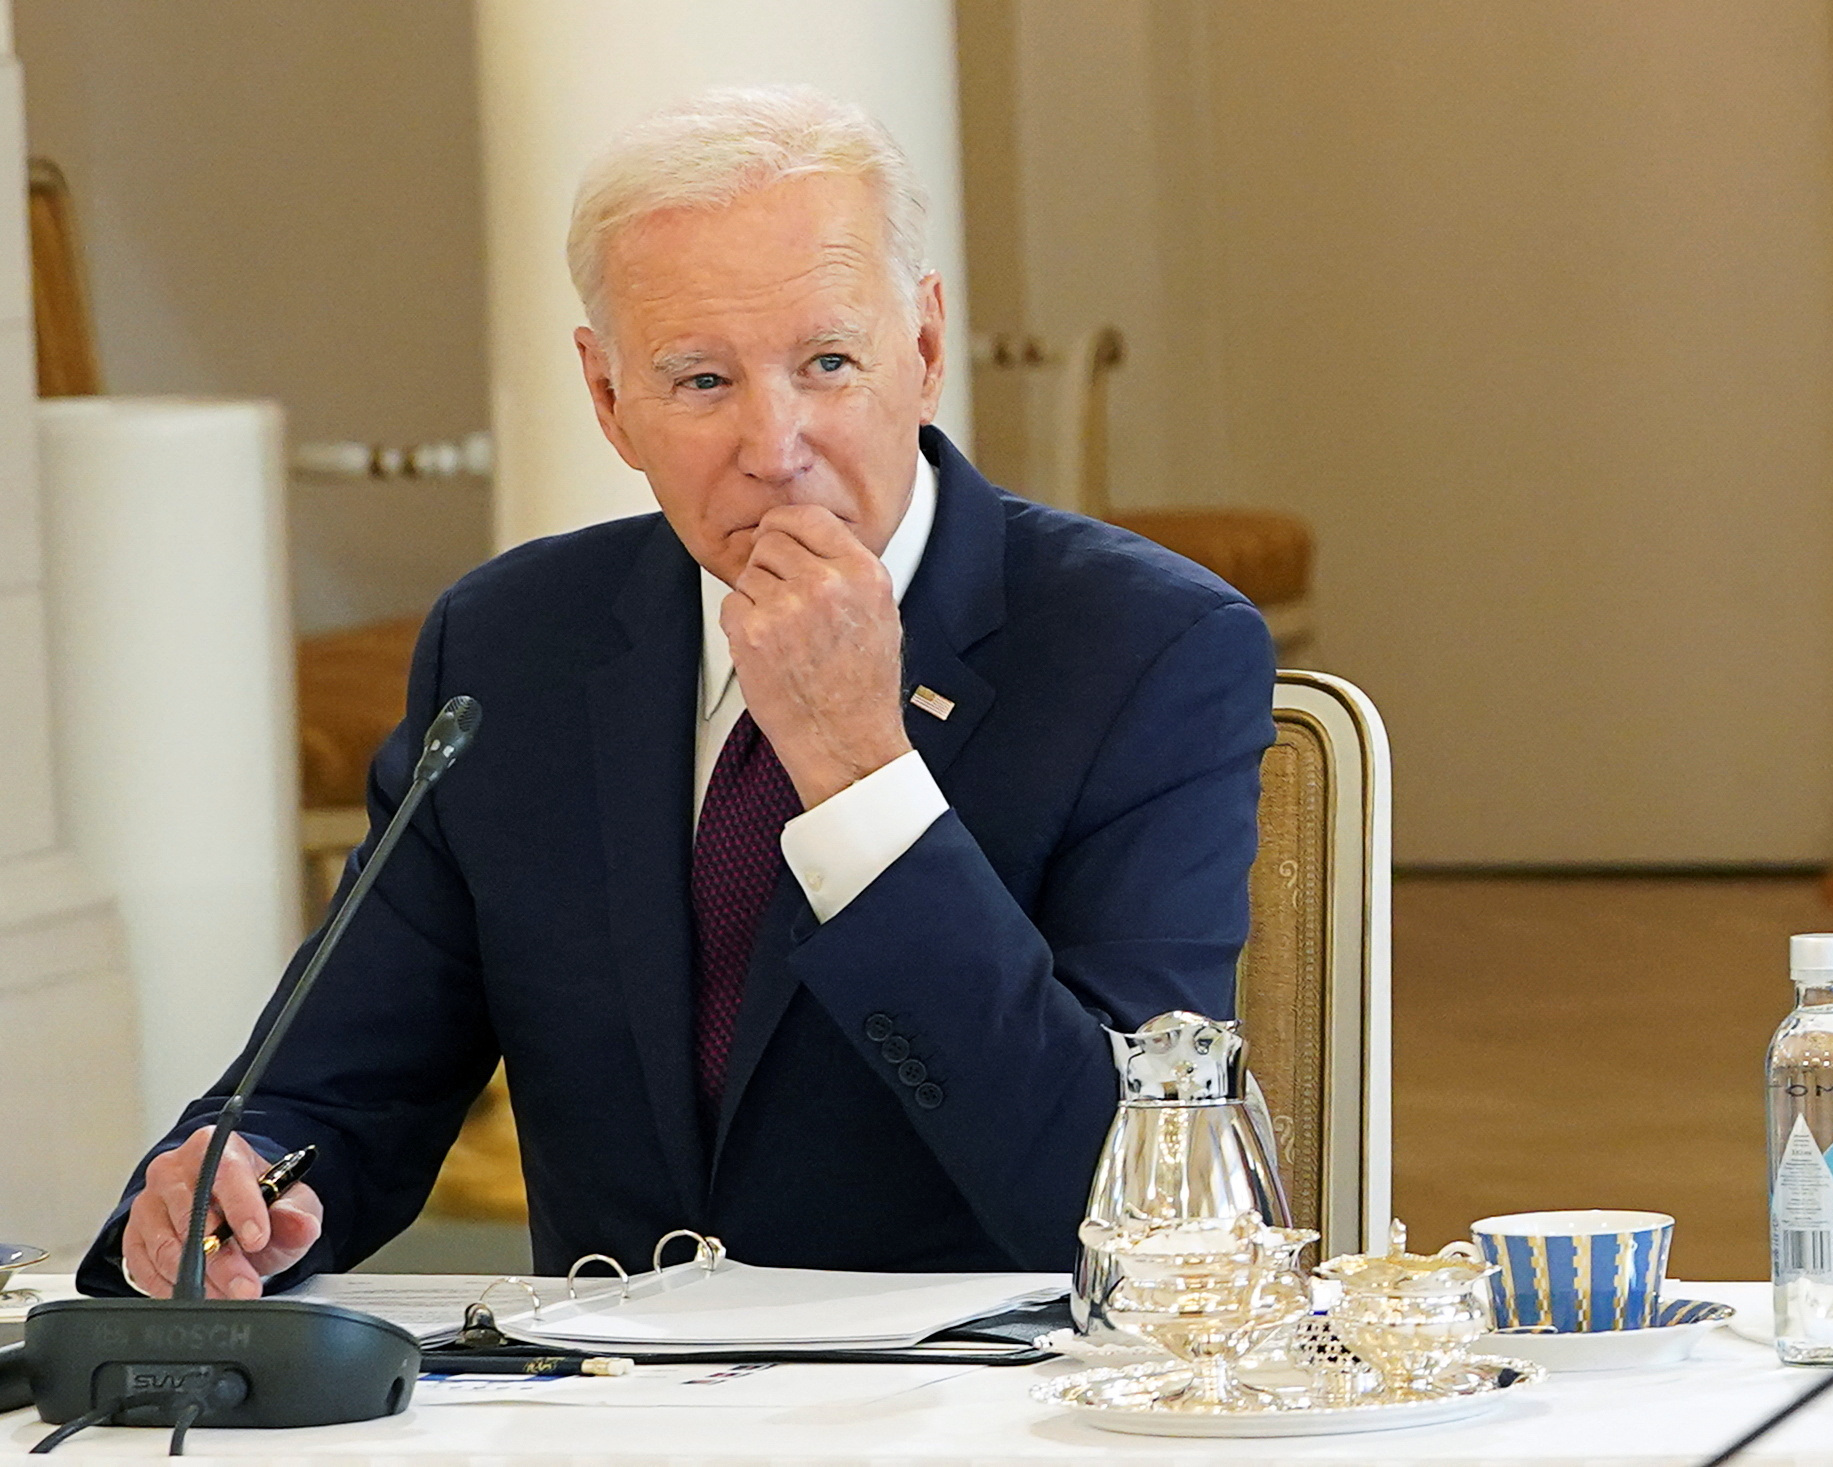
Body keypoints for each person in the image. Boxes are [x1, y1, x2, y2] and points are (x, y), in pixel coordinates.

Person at [80, 85, 1274, 1299]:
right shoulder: (511, 644)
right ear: (609, 401)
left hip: (983, 1404)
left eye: (827, 361)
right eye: (701, 382)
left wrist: (860, 776)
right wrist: (240, 1185)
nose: (775, 441)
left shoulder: (1146, 649)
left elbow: (1122, 1198)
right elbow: (334, 1085)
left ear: (921, 349)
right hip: (603, 1398)